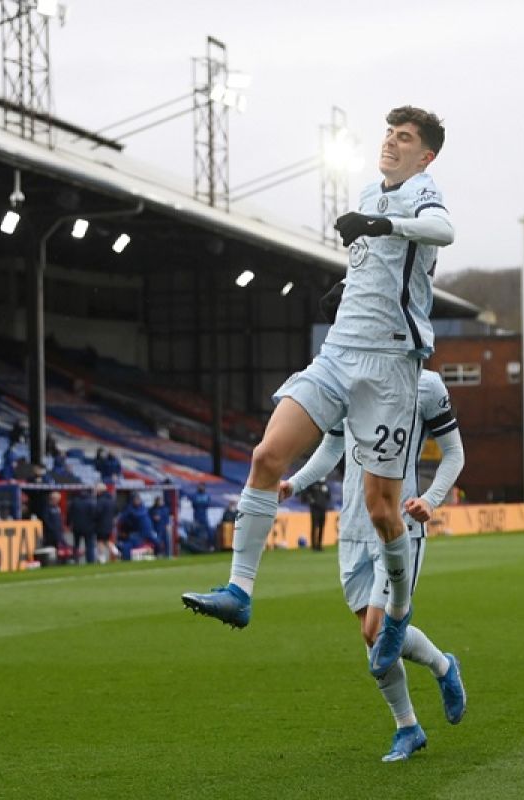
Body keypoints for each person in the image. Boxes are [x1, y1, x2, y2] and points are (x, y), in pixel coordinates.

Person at [182, 106, 453, 682]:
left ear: (425, 156)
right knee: (265, 456)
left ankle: (399, 611)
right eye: (389, 133)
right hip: (339, 353)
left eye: (404, 138)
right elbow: (375, 263)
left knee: (383, 511)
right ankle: (240, 589)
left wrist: (384, 227)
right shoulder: (366, 190)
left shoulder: (424, 192)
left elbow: (444, 231)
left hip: (389, 367)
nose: (391, 142)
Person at [280, 368, 466, 761]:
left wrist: (430, 499)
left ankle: (440, 671)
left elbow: (454, 453)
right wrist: (294, 483)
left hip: (397, 526)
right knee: (371, 637)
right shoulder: (347, 377)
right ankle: (411, 723)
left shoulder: (426, 384)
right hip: (351, 529)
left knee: (376, 629)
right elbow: (333, 448)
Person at [68, 486, 98, 564]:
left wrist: (68, 524)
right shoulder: (91, 503)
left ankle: (75, 560)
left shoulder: (74, 502)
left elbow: (70, 514)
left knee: (76, 545)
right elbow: (94, 516)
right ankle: (90, 561)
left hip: (77, 527)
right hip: (89, 527)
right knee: (89, 546)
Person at [301, 479, 332, 551]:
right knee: (314, 526)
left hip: (323, 509)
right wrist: (311, 501)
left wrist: (326, 502)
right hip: (315, 509)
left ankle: (319, 544)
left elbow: (328, 496)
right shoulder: (312, 483)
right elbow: (305, 493)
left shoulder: (325, 485)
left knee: (322, 526)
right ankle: (313, 545)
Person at [94, 484, 118, 563]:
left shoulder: (101, 500)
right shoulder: (111, 499)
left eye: (96, 490)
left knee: (100, 541)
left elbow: (97, 512)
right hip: (109, 524)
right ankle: (115, 551)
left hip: (101, 524)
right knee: (106, 540)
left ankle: (102, 558)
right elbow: (116, 511)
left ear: (100, 491)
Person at [188, 483, 213, 548]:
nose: (201, 488)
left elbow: (207, 504)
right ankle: (198, 546)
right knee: (196, 531)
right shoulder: (195, 495)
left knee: (209, 531)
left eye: (202, 486)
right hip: (197, 517)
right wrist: (202, 504)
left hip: (204, 517)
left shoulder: (206, 495)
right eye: (200, 486)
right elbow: (194, 504)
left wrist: (200, 504)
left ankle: (210, 545)